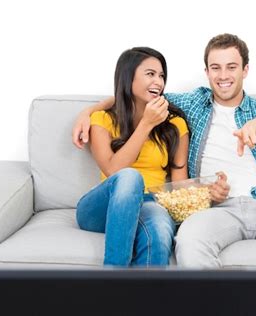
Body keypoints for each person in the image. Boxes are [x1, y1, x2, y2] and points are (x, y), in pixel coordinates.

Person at [73, 34, 256, 269]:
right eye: (216, 68)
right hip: (216, 210)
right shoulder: (192, 104)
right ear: (206, 72)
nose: (223, 76)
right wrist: (88, 111)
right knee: (188, 242)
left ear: (245, 70)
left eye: (231, 67)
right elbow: (135, 95)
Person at [75, 47, 189, 267]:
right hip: (105, 206)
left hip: (152, 203)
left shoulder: (175, 124)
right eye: (150, 74)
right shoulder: (102, 119)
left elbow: (180, 185)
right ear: (128, 77)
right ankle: (113, 281)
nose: (158, 81)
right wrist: (146, 124)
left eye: (162, 75)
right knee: (129, 177)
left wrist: (204, 195)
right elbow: (113, 171)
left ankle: (141, 300)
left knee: (159, 233)